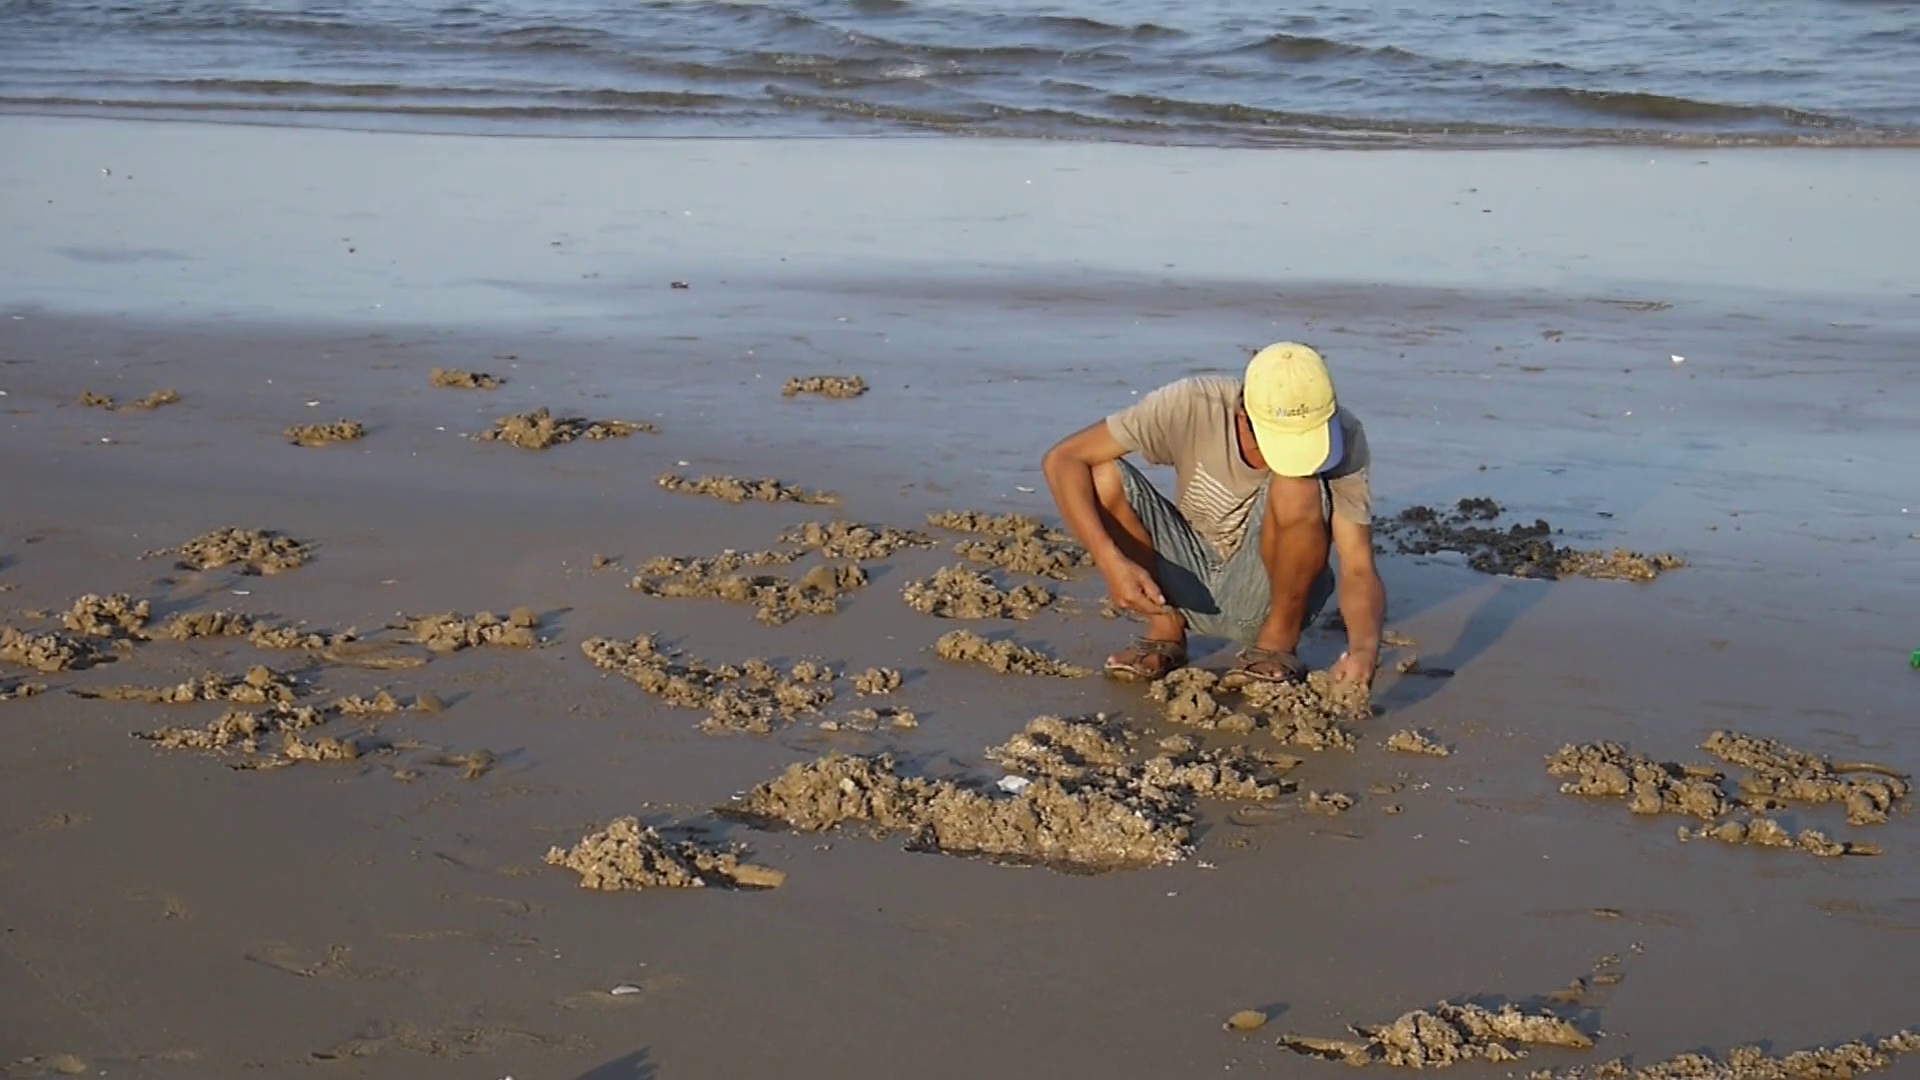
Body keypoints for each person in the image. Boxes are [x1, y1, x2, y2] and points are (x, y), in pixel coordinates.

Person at [1041, 341, 1384, 687]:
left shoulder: (1346, 435)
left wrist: (1364, 650)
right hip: (1184, 580)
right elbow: (1063, 459)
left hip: (1272, 593)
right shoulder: (1191, 405)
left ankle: (1277, 641)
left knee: (1298, 485)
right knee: (1102, 475)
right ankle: (1165, 627)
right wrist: (1109, 561)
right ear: (1243, 417)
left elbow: (1358, 565)